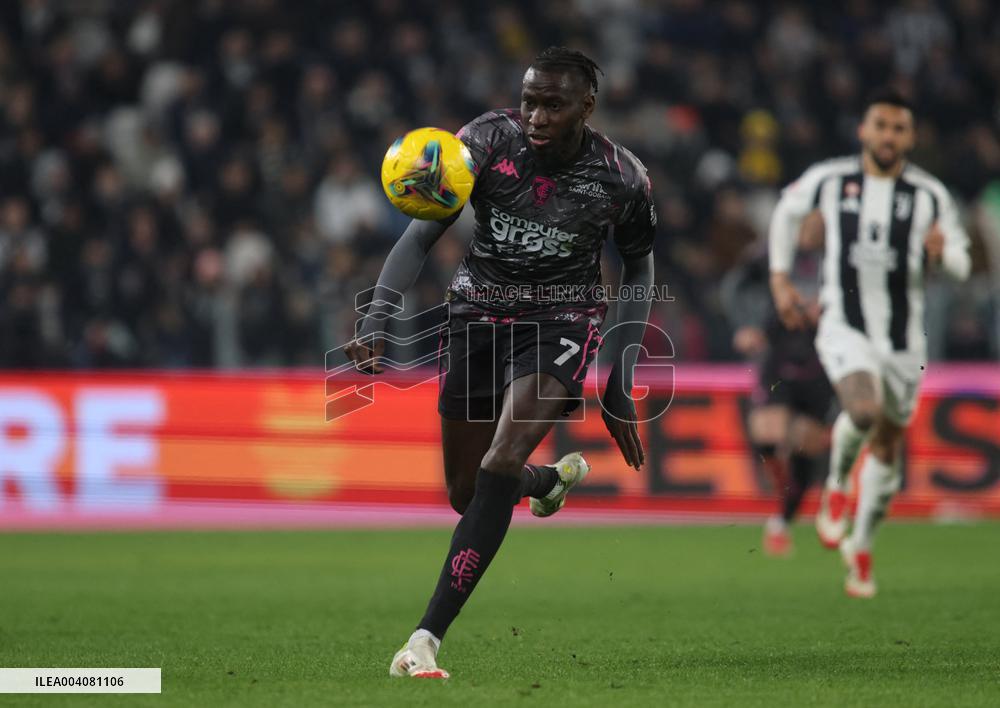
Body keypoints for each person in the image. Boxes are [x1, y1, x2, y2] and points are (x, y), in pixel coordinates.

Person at [343, 47, 657, 677]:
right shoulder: (482, 143)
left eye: (553, 104)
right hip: (476, 317)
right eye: (530, 100)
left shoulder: (622, 177)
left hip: (560, 321)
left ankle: (426, 637)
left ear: (586, 107)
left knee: (501, 458)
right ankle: (548, 482)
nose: (536, 115)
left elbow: (640, 267)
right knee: (468, 493)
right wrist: (376, 317)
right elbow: (420, 233)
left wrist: (619, 378)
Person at [768, 88, 971, 597]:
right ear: (863, 130)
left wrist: (944, 254)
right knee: (862, 410)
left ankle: (862, 544)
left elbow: (964, 264)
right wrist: (779, 278)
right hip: (844, 324)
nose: (888, 135)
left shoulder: (930, 195)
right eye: (880, 125)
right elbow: (785, 213)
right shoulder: (830, 180)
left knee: (887, 445)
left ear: (911, 137)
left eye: (898, 128)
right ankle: (836, 486)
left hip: (905, 341)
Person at [721, 212, 834, 557]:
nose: (813, 230)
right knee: (768, 433)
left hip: (823, 360)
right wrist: (745, 325)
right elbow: (734, 288)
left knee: (806, 446)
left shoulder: (839, 257)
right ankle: (779, 483)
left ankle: (782, 521)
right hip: (780, 355)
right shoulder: (770, 254)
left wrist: (831, 308)